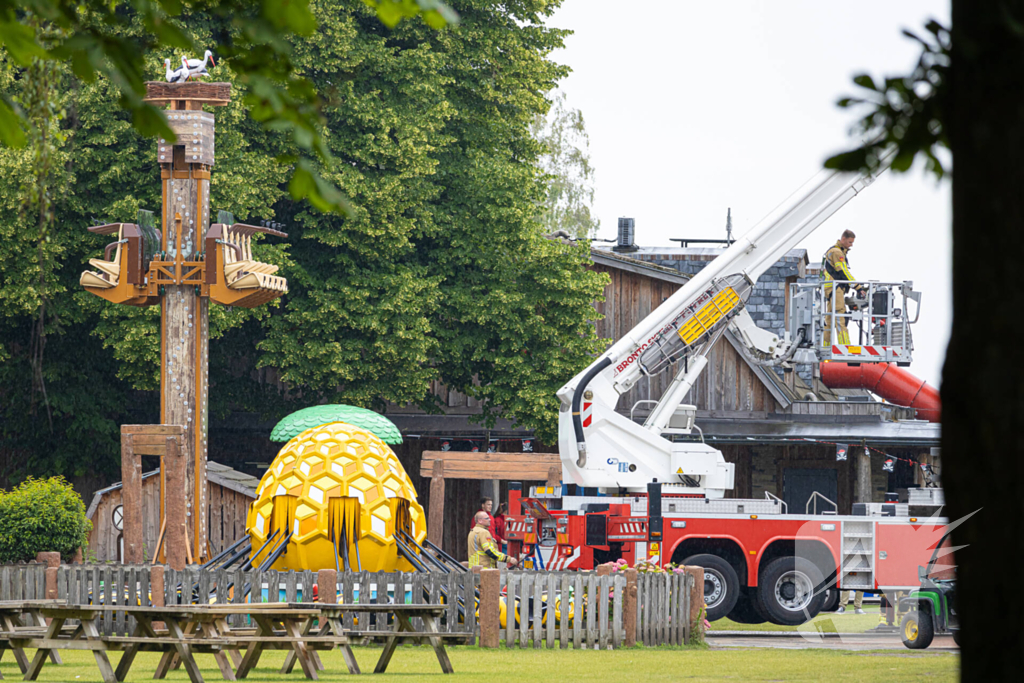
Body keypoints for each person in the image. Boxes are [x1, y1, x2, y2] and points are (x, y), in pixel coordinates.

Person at [822, 229, 860, 345]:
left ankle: (826, 346)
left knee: (829, 319)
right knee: (840, 315)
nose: (851, 245)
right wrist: (858, 287)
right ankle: (845, 346)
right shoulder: (837, 253)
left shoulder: (832, 251)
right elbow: (843, 272)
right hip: (836, 288)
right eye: (849, 242)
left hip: (830, 288)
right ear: (843, 239)